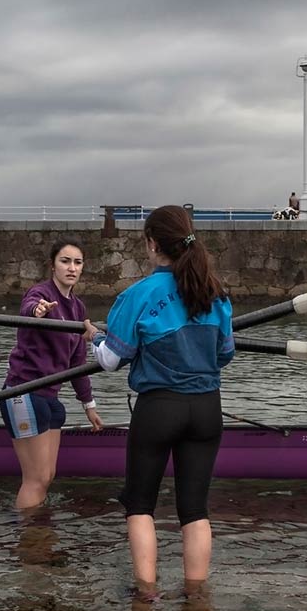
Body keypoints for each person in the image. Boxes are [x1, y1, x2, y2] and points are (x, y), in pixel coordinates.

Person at [83, 205, 234, 589]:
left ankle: (147, 597)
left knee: (140, 506)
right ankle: (196, 598)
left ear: (151, 244)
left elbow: (111, 360)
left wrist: (94, 338)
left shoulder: (139, 294)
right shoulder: (214, 292)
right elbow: (224, 354)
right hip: (206, 409)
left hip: (158, 409)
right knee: (195, 511)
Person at [1, 238, 103, 508]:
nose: (72, 268)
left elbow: (78, 362)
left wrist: (88, 405)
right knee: (35, 478)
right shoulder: (39, 293)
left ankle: (39, 536)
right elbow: (29, 307)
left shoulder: (78, 308)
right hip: (23, 392)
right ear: (53, 266)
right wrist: (37, 311)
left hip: (50, 399)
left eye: (77, 262)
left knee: (47, 476)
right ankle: (27, 541)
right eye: (65, 261)